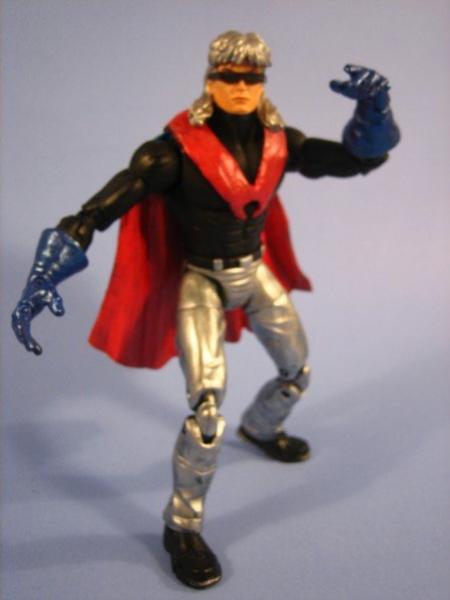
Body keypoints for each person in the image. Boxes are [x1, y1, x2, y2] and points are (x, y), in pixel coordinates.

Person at [12, 31, 400, 589]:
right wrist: (43, 275)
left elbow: (358, 159)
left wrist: (375, 110)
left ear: (263, 82)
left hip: (255, 272)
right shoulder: (168, 154)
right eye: (230, 76)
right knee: (206, 413)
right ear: (210, 79)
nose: (241, 87)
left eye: (252, 78)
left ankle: (261, 427)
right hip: (202, 280)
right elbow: (93, 214)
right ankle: (182, 526)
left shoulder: (280, 142)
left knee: (297, 371)